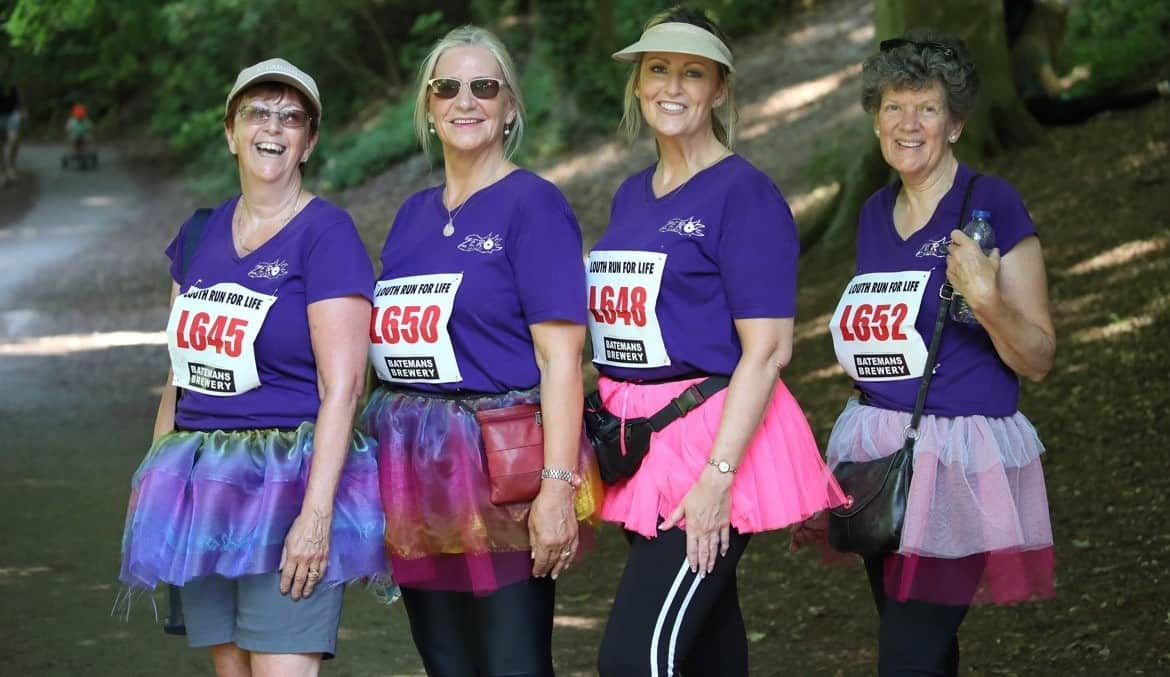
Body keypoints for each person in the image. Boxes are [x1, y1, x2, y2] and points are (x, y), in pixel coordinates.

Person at [591, 9, 845, 676]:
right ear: (639, 83)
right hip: (641, 444)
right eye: (658, 69)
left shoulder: (745, 195)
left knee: (634, 659)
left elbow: (768, 350)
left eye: (692, 72)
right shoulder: (630, 195)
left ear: (720, 90)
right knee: (707, 648)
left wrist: (717, 479)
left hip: (710, 446)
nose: (671, 86)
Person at [118, 58, 386, 676]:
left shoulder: (327, 234)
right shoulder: (198, 234)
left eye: (291, 117)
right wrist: (153, 485)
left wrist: (315, 519)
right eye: (257, 113)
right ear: (230, 130)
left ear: (310, 140)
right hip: (205, 488)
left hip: (289, 485)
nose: (273, 127)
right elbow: (179, 374)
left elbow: (342, 388)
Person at [358, 26, 603, 676]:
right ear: (429, 108)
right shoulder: (411, 216)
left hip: (503, 472)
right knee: (446, 663)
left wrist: (557, 489)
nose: (465, 101)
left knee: (513, 663)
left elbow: (561, 361)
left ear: (510, 106)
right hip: (412, 471)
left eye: (484, 86)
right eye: (448, 87)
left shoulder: (535, 205)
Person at [822, 31, 1056, 675]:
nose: (908, 123)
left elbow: (1037, 357)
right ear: (875, 122)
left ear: (954, 125)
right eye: (893, 107)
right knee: (924, 648)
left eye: (926, 108)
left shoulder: (992, 205)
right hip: (880, 456)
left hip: (959, 458)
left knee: (908, 652)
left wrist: (987, 300)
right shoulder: (873, 212)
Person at [1005, 0, 1169, 125]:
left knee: (1098, 103)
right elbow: (1053, 89)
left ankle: (1158, 90)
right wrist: (1076, 76)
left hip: (1040, 110)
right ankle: (1159, 90)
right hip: (1044, 111)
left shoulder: (1022, 44)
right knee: (1103, 102)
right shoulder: (1033, 47)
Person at [0, 63, 21, 185]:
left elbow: (17, 98)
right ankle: (2, 172)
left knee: (14, 140)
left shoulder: (11, 83)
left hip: (11, 114)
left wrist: (21, 109)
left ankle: (10, 166)